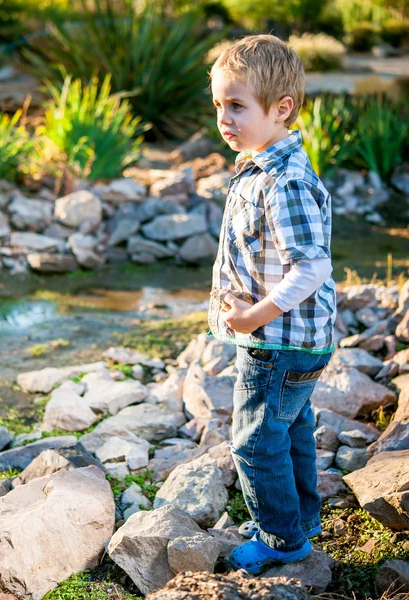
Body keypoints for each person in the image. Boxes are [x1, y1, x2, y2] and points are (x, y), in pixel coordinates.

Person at [207, 34, 336, 574]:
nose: (224, 118)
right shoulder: (261, 165)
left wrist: (255, 316)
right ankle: (301, 519)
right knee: (291, 429)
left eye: (237, 106)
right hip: (294, 340)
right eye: (218, 105)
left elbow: (314, 266)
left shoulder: (284, 182)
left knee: (256, 443)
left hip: (276, 342)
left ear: (281, 108)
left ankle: (282, 539)